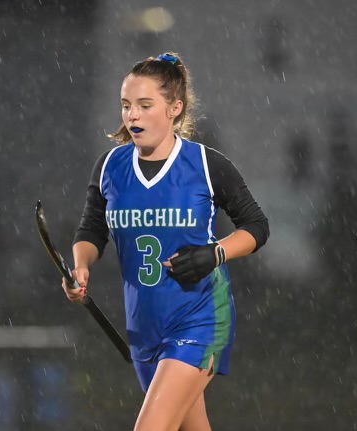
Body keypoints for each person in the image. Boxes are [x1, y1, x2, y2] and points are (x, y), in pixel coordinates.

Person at [62, 52, 269, 431]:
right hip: (144, 327)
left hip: (201, 319)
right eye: (126, 106)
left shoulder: (206, 165)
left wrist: (215, 253)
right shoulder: (110, 167)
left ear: (175, 108)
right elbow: (91, 231)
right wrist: (81, 266)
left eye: (144, 105)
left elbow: (257, 226)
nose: (132, 116)